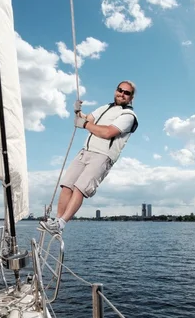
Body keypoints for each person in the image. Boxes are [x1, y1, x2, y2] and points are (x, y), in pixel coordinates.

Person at [40, 80, 138, 235]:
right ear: (116, 90)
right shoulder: (105, 107)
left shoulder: (129, 116)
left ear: (131, 97)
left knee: (80, 188)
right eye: (120, 90)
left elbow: (107, 133)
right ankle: (56, 222)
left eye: (127, 93)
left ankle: (61, 223)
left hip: (103, 156)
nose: (122, 94)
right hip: (85, 151)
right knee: (67, 185)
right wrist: (78, 112)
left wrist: (84, 124)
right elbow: (87, 119)